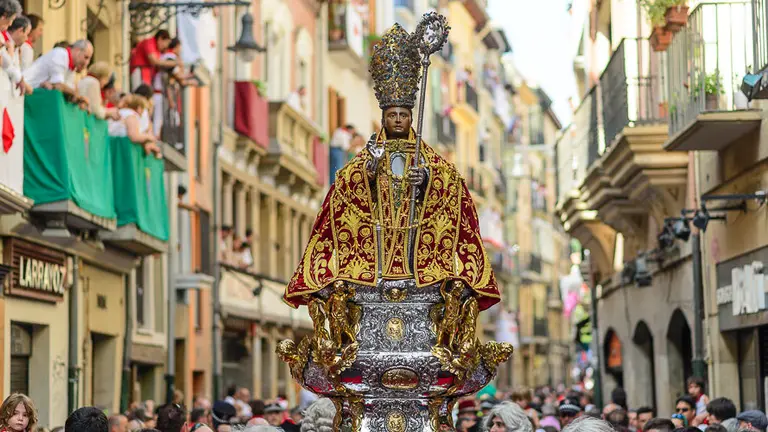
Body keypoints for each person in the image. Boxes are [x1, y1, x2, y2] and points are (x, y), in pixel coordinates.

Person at [24, 39, 92, 104]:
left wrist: (80, 100)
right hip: (22, 92)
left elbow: (70, 93)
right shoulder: (60, 54)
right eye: (86, 57)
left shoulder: (71, 69)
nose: (87, 63)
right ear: (77, 50)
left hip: (31, 96)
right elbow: (58, 85)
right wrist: (76, 94)